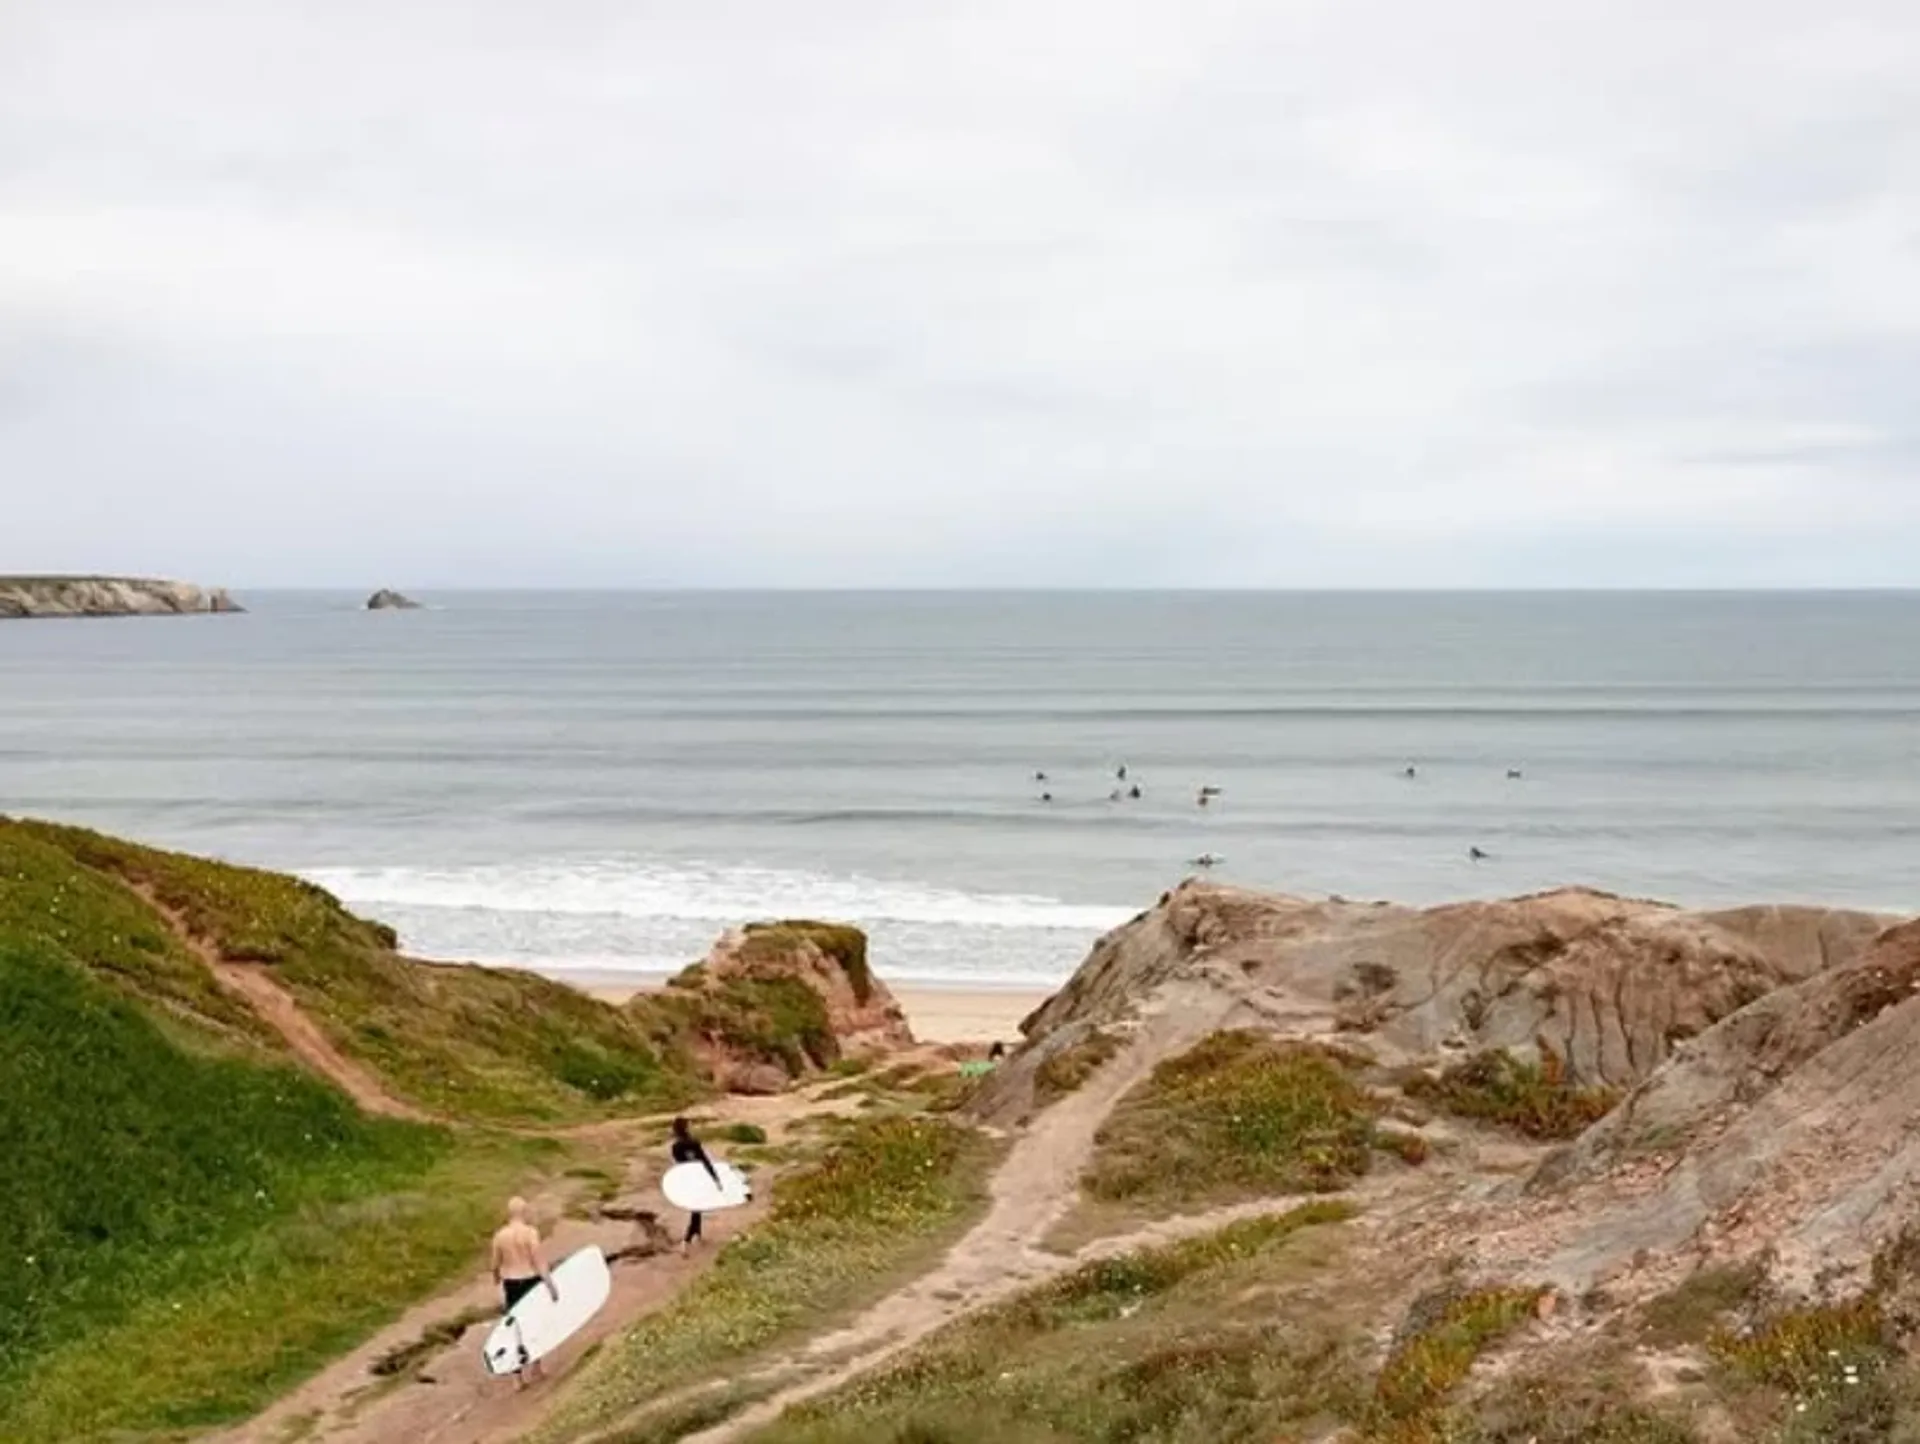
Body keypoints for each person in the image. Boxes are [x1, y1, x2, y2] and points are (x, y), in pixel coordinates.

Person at [490, 1197, 559, 1388]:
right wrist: (550, 1285)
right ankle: (536, 1367)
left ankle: (517, 1378)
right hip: (530, 1280)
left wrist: (497, 1284)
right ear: (524, 1212)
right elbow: (538, 1261)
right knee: (535, 1324)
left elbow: (495, 1265)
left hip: (511, 1283)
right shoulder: (530, 1233)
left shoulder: (500, 1236)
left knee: (515, 1328)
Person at [671, 1117, 721, 1256]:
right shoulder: (693, 1142)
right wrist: (714, 1177)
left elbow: (679, 1164)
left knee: (697, 1207)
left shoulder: (675, 1146)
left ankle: (697, 1235)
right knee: (696, 1209)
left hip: (686, 1179)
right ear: (686, 1128)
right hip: (698, 1177)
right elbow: (704, 1160)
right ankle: (686, 1241)